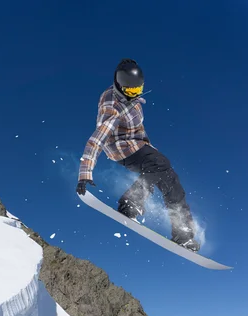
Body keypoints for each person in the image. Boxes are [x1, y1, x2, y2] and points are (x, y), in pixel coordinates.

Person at [76, 58, 200, 252]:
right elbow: (96, 139)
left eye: (138, 91)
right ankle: (130, 203)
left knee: (170, 179)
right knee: (160, 164)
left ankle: (183, 235)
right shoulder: (112, 108)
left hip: (138, 145)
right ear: (119, 87)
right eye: (130, 92)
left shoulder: (128, 95)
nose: (134, 95)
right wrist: (85, 172)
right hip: (122, 148)